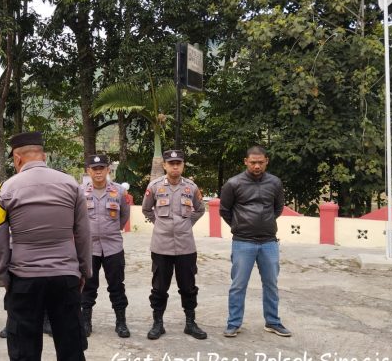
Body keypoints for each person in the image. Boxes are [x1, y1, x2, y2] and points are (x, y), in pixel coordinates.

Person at [0, 131, 91, 361]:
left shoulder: (5, 189)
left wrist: (2, 278)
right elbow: (83, 233)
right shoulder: (71, 185)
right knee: (71, 346)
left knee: (24, 349)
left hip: (24, 279)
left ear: (17, 158)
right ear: (44, 156)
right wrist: (84, 271)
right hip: (65, 277)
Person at [219, 146, 290, 338]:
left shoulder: (275, 183)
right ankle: (234, 324)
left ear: (266, 161)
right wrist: (241, 225)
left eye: (260, 162)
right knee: (238, 285)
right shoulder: (233, 184)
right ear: (246, 162)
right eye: (253, 162)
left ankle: (273, 322)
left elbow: (278, 208)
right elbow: (224, 210)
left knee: (271, 284)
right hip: (243, 242)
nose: (257, 166)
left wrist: (264, 223)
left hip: (269, 242)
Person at [141, 150, 207, 340]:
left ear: (183, 165)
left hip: (186, 246)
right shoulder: (154, 187)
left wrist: (187, 224)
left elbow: (200, 209)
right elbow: (146, 209)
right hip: (161, 246)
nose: (175, 166)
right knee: (160, 288)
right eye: (171, 163)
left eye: (178, 163)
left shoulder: (191, 188)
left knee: (188, 286)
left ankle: (190, 323)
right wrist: (160, 225)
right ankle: (158, 323)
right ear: (165, 165)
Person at [80, 154, 131, 338]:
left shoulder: (119, 192)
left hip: (113, 247)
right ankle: (85, 322)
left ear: (108, 170)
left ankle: (121, 322)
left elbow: (124, 216)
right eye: (95, 169)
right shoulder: (80, 192)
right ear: (88, 171)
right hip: (89, 248)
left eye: (102, 168)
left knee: (117, 286)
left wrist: (110, 231)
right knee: (88, 287)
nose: (98, 171)